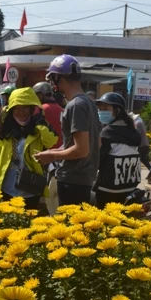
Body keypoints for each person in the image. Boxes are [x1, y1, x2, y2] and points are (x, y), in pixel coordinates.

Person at [33, 54, 100, 206]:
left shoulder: (75, 105)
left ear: (58, 77)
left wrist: (52, 157)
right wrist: (52, 152)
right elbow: (96, 143)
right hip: (85, 178)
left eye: (52, 78)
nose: (51, 83)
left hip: (72, 180)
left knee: (68, 227)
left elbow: (82, 150)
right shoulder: (89, 103)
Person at [0, 87, 58, 210]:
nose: (21, 112)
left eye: (25, 108)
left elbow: (50, 141)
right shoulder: (5, 130)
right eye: (17, 108)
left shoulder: (38, 129)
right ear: (11, 110)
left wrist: (40, 122)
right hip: (6, 187)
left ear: (32, 109)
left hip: (31, 188)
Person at [95, 92, 142, 208]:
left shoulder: (108, 132)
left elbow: (98, 160)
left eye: (105, 108)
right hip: (130, 187)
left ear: (117, 111)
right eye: (100, 108)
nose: (101, 112)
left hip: (109, 190)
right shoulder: (132, 131)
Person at [33, 81, 63, 148]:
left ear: (41, 94)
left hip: (46, 151)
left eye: (36, 95)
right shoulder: (62, 109)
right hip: (61, 150)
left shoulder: (40, 109)